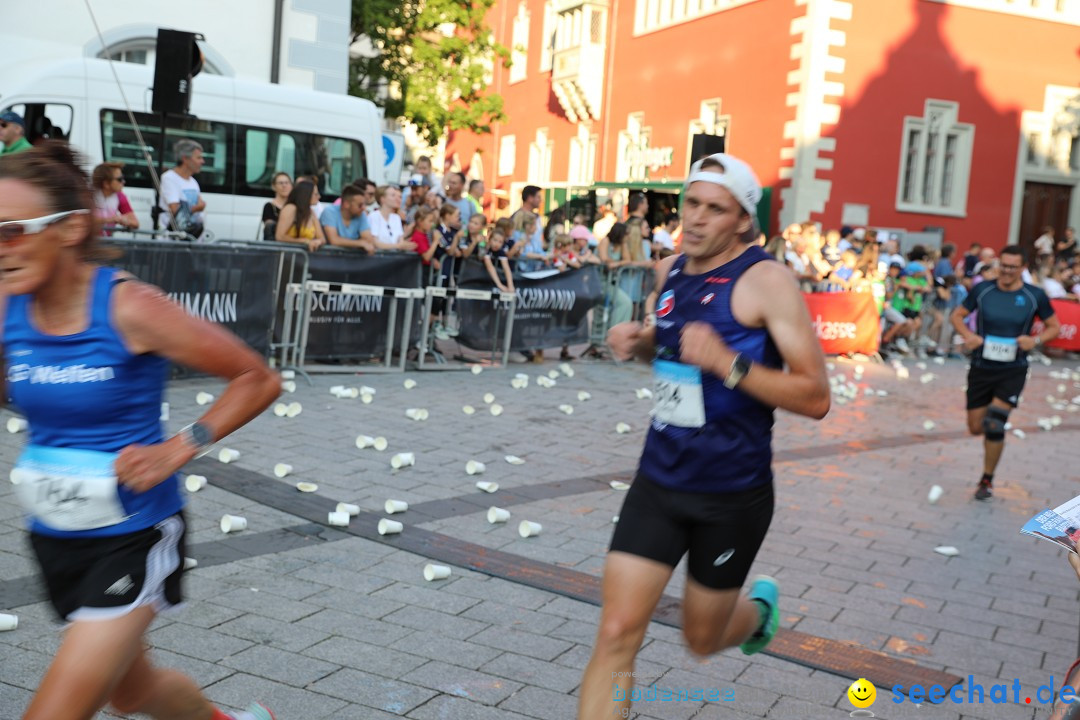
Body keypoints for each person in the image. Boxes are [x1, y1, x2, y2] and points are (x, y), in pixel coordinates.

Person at [0, 142, 281, 720]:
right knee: (134, 693)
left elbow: (257, 378)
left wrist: (177, 449)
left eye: (13, 230)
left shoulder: (130, 308)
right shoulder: (8, 302)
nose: (2, 247)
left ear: (71, 228)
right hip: (54, 533)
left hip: (133, 535)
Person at [580, 153, 830, 718]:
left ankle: (758, 617)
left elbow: (816, 396)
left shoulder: (766, 281)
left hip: (730, 495)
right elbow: (671, 356)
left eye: (714, 209)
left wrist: (728, 364)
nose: (694, 218)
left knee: (700, 639)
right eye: (690, 202)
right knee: (617, 629)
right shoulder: (668, 273)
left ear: (742, 219)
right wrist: (639, 344)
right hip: (658, 480)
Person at [950, 245, 1060, 501]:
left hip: (1013, 369)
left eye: (1013, 266)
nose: (1008, 271)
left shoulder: (1034, 295)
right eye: (1004, 265)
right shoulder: (983, 289)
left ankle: (986, 480)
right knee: (976, 426)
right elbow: (957, 315)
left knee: (994, 423)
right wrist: (969, 336)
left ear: (1023, 268)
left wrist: (1036, 341)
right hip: (981, 367)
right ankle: (987, 443)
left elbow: (1054, 327)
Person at [158, 139, 206, 238]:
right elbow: (175, 210)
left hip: (192, 237)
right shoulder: (169, 178)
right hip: (174, 239)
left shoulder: (193, 182)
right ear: (185, 159)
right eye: (198, 158)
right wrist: (197, 208)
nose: (202, 161)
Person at [320, 185, 376, 252]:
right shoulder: (330, 212)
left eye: (364, 204)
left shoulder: (361, 214)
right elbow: (334, 240)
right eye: (360, 205)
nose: (364, 208)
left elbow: (368, 240)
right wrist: (360, 243)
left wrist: (362, 243)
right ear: (346, 204)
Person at [275, 180, 326, 253]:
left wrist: (319, 242)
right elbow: (280, 236)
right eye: (315, 194)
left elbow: (322, 238)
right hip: (288, 254)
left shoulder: (311, 212)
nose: (319, 196)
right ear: (306, 195)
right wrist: (304, 241)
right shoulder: (290, 208)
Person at [90, 162, 138, 233]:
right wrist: (111, 219)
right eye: (120, 179)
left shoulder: (120, 196)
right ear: (106, 184)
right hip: (88, 242)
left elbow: (135, 223)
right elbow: (83, 221)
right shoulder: (89, 195)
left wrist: (125, 221)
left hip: (106, 242)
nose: (124, 182)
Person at [260, 172, 292, 240]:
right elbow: (269, 229)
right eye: (281, 183)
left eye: (287, 183)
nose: (284, 185)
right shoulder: (269, 206)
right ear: (274, 187)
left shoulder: (295, 206)